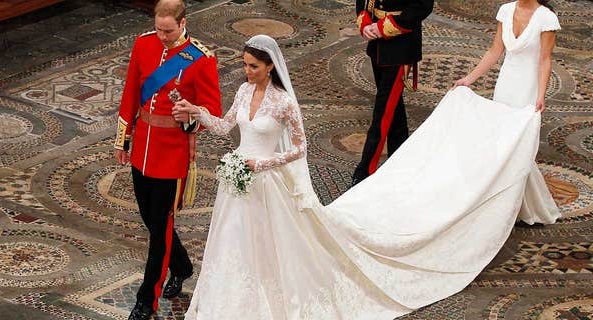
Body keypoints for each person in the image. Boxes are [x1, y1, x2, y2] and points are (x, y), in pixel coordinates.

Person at [173, 33, 555, 319]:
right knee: (233, 242)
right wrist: (196, 112)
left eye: (253, 66)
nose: (246, 71)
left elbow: (299, 149)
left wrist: (264, 164)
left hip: (266, 182)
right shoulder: (242, 91)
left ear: (270, 66)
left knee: (272, 245)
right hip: (237, 184)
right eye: (244, 65)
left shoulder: (284, 102)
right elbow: (225, 129)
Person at [113, 0, 222, 319]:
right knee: (150, 218)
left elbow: (212, 112)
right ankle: (182, 265)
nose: (162, 36)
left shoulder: (200, 59)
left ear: (183, 23)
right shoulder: (143, 44)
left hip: (173, 153)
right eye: (159, 29)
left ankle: (147, 298)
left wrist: (190, 116)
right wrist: (123, 139)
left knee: (160, 226)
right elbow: (131, 92)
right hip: (144, 146)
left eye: (169, 30)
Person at [454, 0, 561, 225]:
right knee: (503, 145)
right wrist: (469, 79)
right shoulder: (505, 10)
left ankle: (516, 208)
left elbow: (545, 59)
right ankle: (508, 207)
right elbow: (495, 51)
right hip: (506, 85)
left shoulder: (546, 18)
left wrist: (541, 95)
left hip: (529, 88)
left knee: (518, 145)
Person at [352, 0, 434, 186]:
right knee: (394, 108)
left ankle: (365, 171)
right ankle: (401, 160)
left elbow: (422, 6)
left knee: (383, 112)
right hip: (377, 44)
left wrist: (382, 28)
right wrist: (365, 23)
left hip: (399, 46)